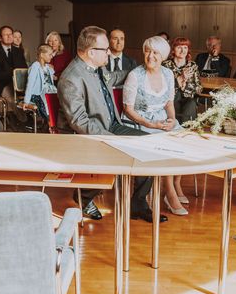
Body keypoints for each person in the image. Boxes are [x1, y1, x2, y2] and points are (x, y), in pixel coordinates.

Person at [58, 26, 165, 223]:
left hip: (112, 124)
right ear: (91, 52)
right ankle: (84, 195)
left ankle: (138, 204)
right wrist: (113, 140)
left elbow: (114, 78)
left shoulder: (99, 67)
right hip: (87, 134)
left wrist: (142, 69)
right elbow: (79, 121)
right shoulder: (70, 78)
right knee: (119, 153)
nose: (109, 52)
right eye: (105, 48)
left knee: (149, 145)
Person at [123, 36, 187, 216]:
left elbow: (168, 103)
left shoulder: (168, 74)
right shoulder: (135, 76)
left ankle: (176, 184)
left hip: (162, 118)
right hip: (139, 121)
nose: (150, 56)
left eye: (155, 52)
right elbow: (128, 110)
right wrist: (151, 124)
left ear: (164, 55)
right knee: (163, 147)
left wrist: (172, 120)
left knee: (183, 140)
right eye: (147, 51)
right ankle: (170, 192)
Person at [0, 25, 27, 112]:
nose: (9, 37)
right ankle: (23, 121)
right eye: (6, 35)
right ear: (0, 38)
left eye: (11, 34)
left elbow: (23, 70)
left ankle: (27, 119)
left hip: (19, 86)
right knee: (13, 100)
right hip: (2, 86)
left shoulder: (19, 51)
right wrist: (12, 73)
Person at [163, 37, 202, 123]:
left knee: (191, 103)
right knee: (174, 101)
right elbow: (163, 87)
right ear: (173, 49)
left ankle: (186, 129)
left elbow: (199, 88)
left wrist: (185, 86)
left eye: (185, 47)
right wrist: (180, 79)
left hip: (187, 98)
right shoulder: (166, 65)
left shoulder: (193, 65)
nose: (183, 50)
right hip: (171, 99)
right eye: (179, 47)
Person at [23, 44, 57, 123]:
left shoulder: (47, 67)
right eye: (49, 54)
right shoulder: (35, 67)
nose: (51, 56)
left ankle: (54, 123)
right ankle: (50, 123)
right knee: (47, 103)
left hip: (50, 91)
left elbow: (50, 81)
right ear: (42, 55)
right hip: (38, 94)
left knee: (58, 101)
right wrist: (26, 101)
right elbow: (30, 84)